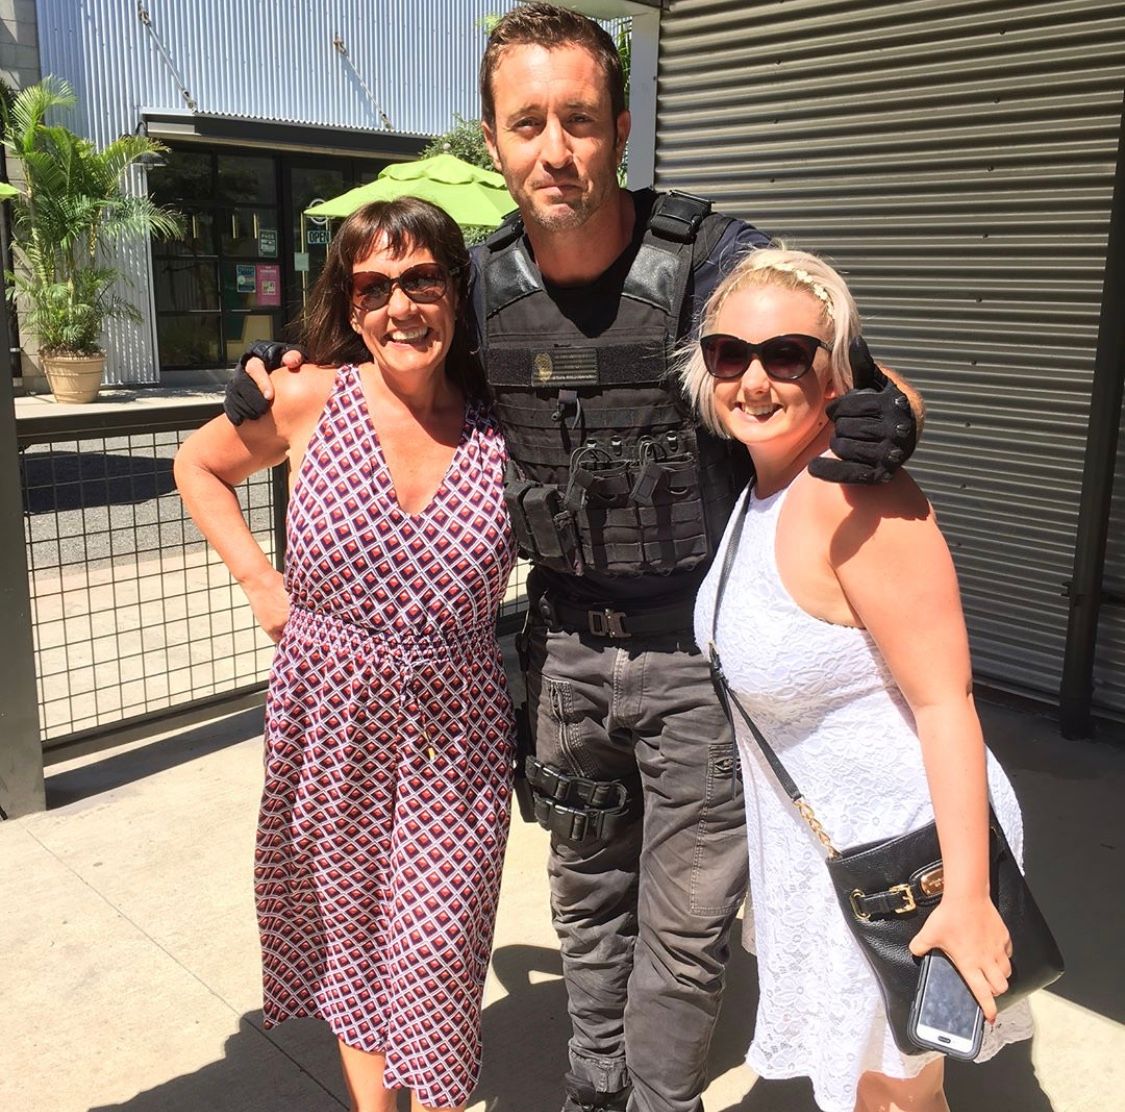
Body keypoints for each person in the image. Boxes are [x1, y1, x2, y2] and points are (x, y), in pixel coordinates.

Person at [222, 8, 922, 1110]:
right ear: (494, 144)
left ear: (623, 129)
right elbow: (392, 334)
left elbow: (862, 377)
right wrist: (283, 364)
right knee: (588, 908)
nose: (557, 149)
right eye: (529, 123)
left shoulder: (713, 262)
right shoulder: (482, 283)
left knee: (687, 931)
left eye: (581, 120)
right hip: (564, 658)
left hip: (696, 657)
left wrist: (887, 421)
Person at [175, 197, 514, 1112]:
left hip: (457, 730)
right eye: (375, 287)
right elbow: (196, 466)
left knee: (439, 946)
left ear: (456, 291)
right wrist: (259, 581)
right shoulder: (306, 395)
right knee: (352, 933)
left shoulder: (502, 417)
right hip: (328, 717)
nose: (400, 307)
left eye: (422, 280)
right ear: (351, 304)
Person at [685, 246, 1034, 1112]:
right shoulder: (758, 481)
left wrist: (965, 897)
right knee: (868, 1089)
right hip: (829, 850)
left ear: (837, 373)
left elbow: (945, 701)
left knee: (895, 1096)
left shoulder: (859, 497)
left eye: (785, 356)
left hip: (909, 851)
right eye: (730, 354)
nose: (753, 379)